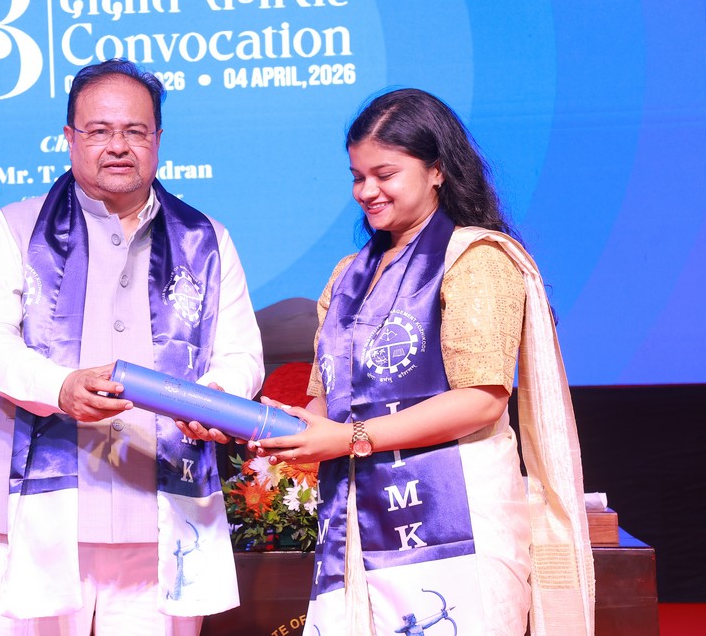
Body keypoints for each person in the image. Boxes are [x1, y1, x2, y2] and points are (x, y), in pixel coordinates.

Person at [247, 89, 595, 635]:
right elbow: (326, 403)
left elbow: (482, 400)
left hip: (457, 526)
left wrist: (349, 438)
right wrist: (268, 428)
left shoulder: (477, 258)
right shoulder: (347, 276)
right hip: (358, 524)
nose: (366, 191)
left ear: (437, 170)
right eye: (357, 177)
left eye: (384, 174)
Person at [0, 58, 263, 635]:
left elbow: (241, 353)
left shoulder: (206, 240)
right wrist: (61, 387)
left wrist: (210, 401)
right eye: (99, 131)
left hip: (163, 522)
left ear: (158, 140)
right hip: (31, 517)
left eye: (135, 131)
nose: (118, 146)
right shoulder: (14, 227)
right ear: (69, 137)